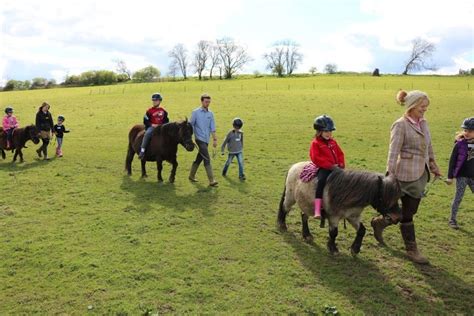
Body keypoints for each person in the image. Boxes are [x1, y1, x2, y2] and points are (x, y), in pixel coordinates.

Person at [371, 90, 441, 264]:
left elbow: (428, 146)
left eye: (426, 106)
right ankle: (412, 250)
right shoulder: (400, 125)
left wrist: (433, 165)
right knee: (406, 213)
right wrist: (390, 176)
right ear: (412, 105)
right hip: (402, 175)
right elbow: (393, 152)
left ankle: (382, 222)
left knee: (410, 211)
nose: (425, 109)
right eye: (422, 106)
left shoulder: (424, 123)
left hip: (420, 175)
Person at [309, 115, 345, 219]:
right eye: (326, 131)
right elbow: (316, 158)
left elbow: (340, 154)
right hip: (324, 168)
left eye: (330, 131)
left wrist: (341, 165)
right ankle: (317, 209)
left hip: (337, 168)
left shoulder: (333, 142)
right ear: (319, 132)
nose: (329, 134)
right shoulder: (315, 143)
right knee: (321, 182)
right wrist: (330, 166)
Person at [446, 117, 474, 229]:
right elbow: (452, 161)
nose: (467, 133)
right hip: (462, 176)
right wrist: (450, 177)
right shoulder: (459, 144)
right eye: (465, 130)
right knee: (458, 197)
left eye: (470, 131)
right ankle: (452, 220)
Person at [189, 93, 218, 187]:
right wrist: (191, 138)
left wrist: (214, 139)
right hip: (199, 139)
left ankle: (191, 176)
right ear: (202, 101)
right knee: (206, 158)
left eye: (209, 102)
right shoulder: (195, 112)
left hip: (206, 140)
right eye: (206, 102)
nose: (208, 103)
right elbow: (190, 125)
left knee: (199, 157)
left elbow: (212, 127)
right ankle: (211, 180)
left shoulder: (211, 114)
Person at [139, 93, 169, 159]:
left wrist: (162, 125)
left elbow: (166, 121)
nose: (154, 102)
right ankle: (142, 151)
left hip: (161, 128)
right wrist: (152, 124)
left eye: (156, 100)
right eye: (153, 100)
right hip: (152, 127)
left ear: (160, 101)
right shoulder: (149, 111)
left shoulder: (163, 111)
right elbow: (145, 121)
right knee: (147, 134)